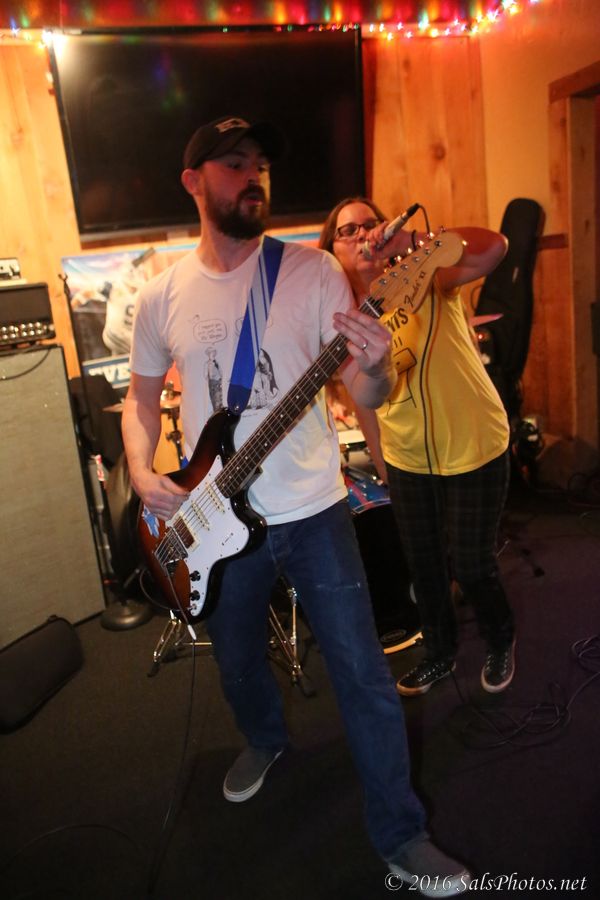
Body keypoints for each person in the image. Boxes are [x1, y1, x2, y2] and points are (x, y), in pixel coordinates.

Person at [122, 116, 471, 895]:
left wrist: (375, 366)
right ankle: (265, 737)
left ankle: (401, 834)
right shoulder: (161, 295)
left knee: (363, 674)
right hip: (212, 520)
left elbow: (367, 389)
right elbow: (140, 401)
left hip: (314, 512)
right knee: (237, 662)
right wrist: (141, 470)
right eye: (234, 163)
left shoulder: (312, 272)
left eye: (262, 164)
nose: (254, 175)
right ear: (193, 181)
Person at [319, 197, 516, 697]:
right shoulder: (343, 318)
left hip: (473, 443)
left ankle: (500, 638)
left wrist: (414, 243)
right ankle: (440, 653)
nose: (361, 235)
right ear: (332, 249)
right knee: (424, 567)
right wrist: (383, 461)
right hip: (408, 458)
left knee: (471, 566)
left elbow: (495, 247)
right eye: (346, 231)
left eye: (368, 224)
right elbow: (364, 403)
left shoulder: (424, 273)